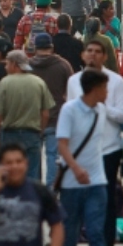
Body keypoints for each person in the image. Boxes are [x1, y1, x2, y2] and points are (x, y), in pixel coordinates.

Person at [67, 40, 123, 246]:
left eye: (97, 52)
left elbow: (122, 115)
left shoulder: (117, 81)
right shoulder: (73, 81)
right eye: (89, 51)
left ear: (105, 56)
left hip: (109, 147)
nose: (92, 55)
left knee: (107, 197)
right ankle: (72, 242)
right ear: (83, 56)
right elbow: (69, 113)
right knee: (78, 198)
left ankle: (107, 245)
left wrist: (98, 105)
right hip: (81, 149)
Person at [58, 69, 110, 246]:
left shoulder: (101, 111)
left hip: (97, 181)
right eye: (104, 88)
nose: (107, 92)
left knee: (96, 231)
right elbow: (62, 144)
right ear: (95, 89)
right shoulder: (69, 110)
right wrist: (76, 168)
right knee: (69, 233)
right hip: (71, 184)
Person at [0, 50, 55, 181]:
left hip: (10, 135)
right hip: (32, 134)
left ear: (14, 64)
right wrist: (40, 132)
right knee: (32, 175)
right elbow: (46, 114)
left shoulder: (5, 83)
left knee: (11, 175)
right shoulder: (39, 82)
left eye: (7, 63)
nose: (5, 67)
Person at [28, 33, 76, 186]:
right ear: (52, 47)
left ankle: (35, 192)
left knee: (33, 159)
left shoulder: (27, 66)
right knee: (53, 157)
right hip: (57, 119)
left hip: (33, 119)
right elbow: (71, 92)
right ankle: (51, 191)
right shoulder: (63, 65)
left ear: (35, 48)